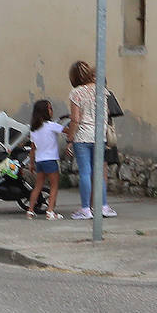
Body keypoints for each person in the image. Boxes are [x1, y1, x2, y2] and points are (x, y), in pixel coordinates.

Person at [65, 60, 117, 220]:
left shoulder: (76, 93)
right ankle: (103, 206)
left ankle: (85, 209)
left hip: (82, 137)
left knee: (85, 173)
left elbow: (75, 119)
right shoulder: (102, 91)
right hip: (99, 136)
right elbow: (105, 114)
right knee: (99, 173)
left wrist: (70, 139)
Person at [25, 99, 65, 219]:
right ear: (45, 111)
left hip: (39, 161)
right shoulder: (52, 126)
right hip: (51, 160)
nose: (52, 111)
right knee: (54, 186)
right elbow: (67, 131)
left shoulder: (34, 129)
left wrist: (31, 164)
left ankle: (30, 210)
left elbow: (33, 149)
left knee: (38, 186)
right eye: (50, 108)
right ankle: (50, 211)